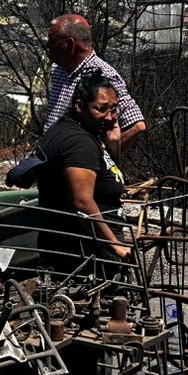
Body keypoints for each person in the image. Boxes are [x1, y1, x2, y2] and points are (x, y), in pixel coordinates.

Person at [34, 69, 131, 273]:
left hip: (93, 248)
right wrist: (114, 245)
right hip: (87, 254)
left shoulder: (80, 131)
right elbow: (82, 202)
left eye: (114, 109)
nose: (111, 117)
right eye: (101, 109)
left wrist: (113, 144)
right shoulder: (79, 143)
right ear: (79, 106)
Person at [43, 14, 146, 160]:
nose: (49, 48)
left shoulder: (103, 75)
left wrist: (101, 159)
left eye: (54, 43)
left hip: (78, 168)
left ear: (71, 45)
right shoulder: (58, 69)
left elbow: (137, 125)